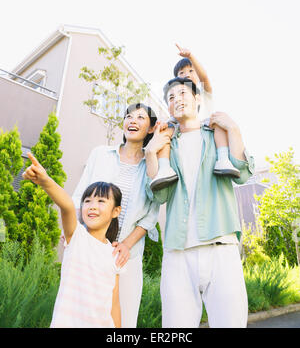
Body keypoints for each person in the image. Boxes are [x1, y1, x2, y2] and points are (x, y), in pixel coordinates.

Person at [145, 77, 255, 328]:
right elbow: (158, 195)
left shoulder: (218, 135)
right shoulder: (165, 144)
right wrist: (151, 152)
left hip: (221, 246)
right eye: (171, 98)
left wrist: (234, 129)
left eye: (182, 93)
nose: (176, 100)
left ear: (197, 99)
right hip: (177, 252)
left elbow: (243, 174)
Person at [71, 103, 161, 328]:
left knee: (123, 321)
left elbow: (151, 215)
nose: (132, 120)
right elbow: (79, 198)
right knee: (82, 317)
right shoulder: (100, 154)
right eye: (129, 116)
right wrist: (73, 233)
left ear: (151, 128)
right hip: (90, 251)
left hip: (126, 257)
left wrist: (126, 245)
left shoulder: (151, 166)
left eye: (141, 118)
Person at [22, 154, 123, 328]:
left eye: (101, 201)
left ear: (116, 211)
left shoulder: (114, 253)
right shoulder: (77, 237)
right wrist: (45, 181)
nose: (92, 205)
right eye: (87, 201)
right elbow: (67, 205)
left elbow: (114, 304)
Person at [150, 44, 240, 192]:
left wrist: (190, 56)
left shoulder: (203, 93)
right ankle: (164, 168)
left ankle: (223, 159)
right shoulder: (178, 98)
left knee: (218, 121)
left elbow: (204, 77)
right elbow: (171, 117)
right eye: (182, 72)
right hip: (184, 131)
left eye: (191, 70)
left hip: (208, 128)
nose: (187, 74)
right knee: (166, 131)